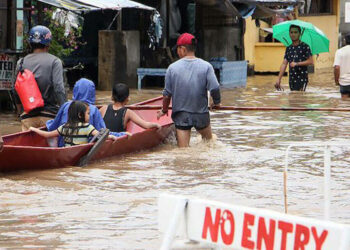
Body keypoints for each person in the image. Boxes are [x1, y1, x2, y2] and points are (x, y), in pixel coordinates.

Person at [157, 33, 221, 147]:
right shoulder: (206, 66)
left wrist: (164, 110)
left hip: (182, 116)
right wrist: (217, 103)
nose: (177, 52)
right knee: (209, 143)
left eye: (178, 49)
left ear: (183, 49)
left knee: (183, 151)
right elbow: (215, 88)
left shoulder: (172, 68)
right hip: (201, 114)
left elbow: (167, 95)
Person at [15, 25, 66, 131]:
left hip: (27, 116)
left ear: (30, 43)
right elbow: (59, 88)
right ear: (48, 44)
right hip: (49, 116)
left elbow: (15, 90)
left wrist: (20, 112)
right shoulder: (55, 61)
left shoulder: (21, 62)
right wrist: (65, 111)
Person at [46, 78, 117, 147]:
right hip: (84, 147)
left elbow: (53, 126)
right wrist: (121, 134)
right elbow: (102, 132)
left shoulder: (66, 105)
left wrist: (48, 123)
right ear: (92, 92)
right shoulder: (93, 109)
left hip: (63, 145)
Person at [30, 101, 116, 146]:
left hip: (66, 154)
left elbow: (47, 135)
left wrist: (33, 129)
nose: (89, 116)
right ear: (80, 115)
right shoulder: (88, 127)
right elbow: (100, 135)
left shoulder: (64, 127)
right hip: (79, 153)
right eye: (88, 113)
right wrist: (111, 136)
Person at [275, 25, 314, 91]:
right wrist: (279, 79)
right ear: (289, 33)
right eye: (291, 32)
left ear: (300, 34)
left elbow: (310, 61)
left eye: (295, 32)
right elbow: (284, 64)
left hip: (302, 78)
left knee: (300, 97)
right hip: (292, 79)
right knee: (293, 99)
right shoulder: (289, 48)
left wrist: (297, 64)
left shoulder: (305, 46)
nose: (293, 34)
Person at [334, 33, 350, 99]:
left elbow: (337, 68)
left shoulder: (339, 51)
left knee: (344, 105)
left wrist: (336, 81)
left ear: (345, 40)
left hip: (344, 82)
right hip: (344, 82)